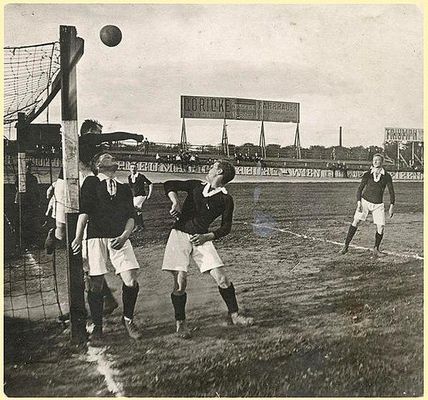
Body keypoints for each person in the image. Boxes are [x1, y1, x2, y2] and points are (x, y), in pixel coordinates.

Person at [162, 160, 254, 339]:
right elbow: (169, 184)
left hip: (202, 238)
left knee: (223, 279)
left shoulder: (226, 199)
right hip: (179, 234)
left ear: (219, 172)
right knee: (180, 282)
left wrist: (207, 237)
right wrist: (175, 202)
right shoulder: (196, 186)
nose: (209, 168)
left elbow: (226, 228)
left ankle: (235, 315)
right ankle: (181, 324)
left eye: (213, 167)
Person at [71, 152, 141, 341]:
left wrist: (125, 236)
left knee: (131, 279)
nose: (112, 158)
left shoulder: (124, 188)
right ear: (98, 165)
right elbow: (84, 212)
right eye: (107, 157)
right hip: (96, 238)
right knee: (96, 283)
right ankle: (97, 326)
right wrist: (78, 237)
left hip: (120, 238)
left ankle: (128, 320)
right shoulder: (91, 182)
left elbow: (131, 217)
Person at [340, 153, 395, 256]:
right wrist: (359, 203)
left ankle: (376, 249)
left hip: (378, 205)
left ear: (382, 162)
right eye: (374, 160)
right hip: (365, 202)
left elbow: (391, 191)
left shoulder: (387, 176)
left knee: (381, 227)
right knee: (356, 221)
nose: (375, 162)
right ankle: (346, 246)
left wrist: (391, 206)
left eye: (378, 160)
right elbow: (359, 189)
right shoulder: (367, 174)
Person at [14, 160, 41, 249]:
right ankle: (20, 243)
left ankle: (30, 242)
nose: (28, 168)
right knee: (20, 222)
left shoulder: (33, 178)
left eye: (30, 166)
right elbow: (17, 188)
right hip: (21, 202)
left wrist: (37, 202)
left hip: (30, 203)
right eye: (26, 166)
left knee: (29, 223)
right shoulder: (18, 176)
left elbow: (36, 191)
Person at [128, 163, 153, 231]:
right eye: (132, 168)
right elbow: (132, 188)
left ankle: (138, 226)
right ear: (130, 169)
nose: (133, 169)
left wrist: (149, 194)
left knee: (135, 208)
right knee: (137, 211)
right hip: (135, 196)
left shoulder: (140, 176)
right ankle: (140, 226)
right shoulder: (129, 177)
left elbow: (150, 184)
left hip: (141, 195)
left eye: (134, 168)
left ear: (137, 168)